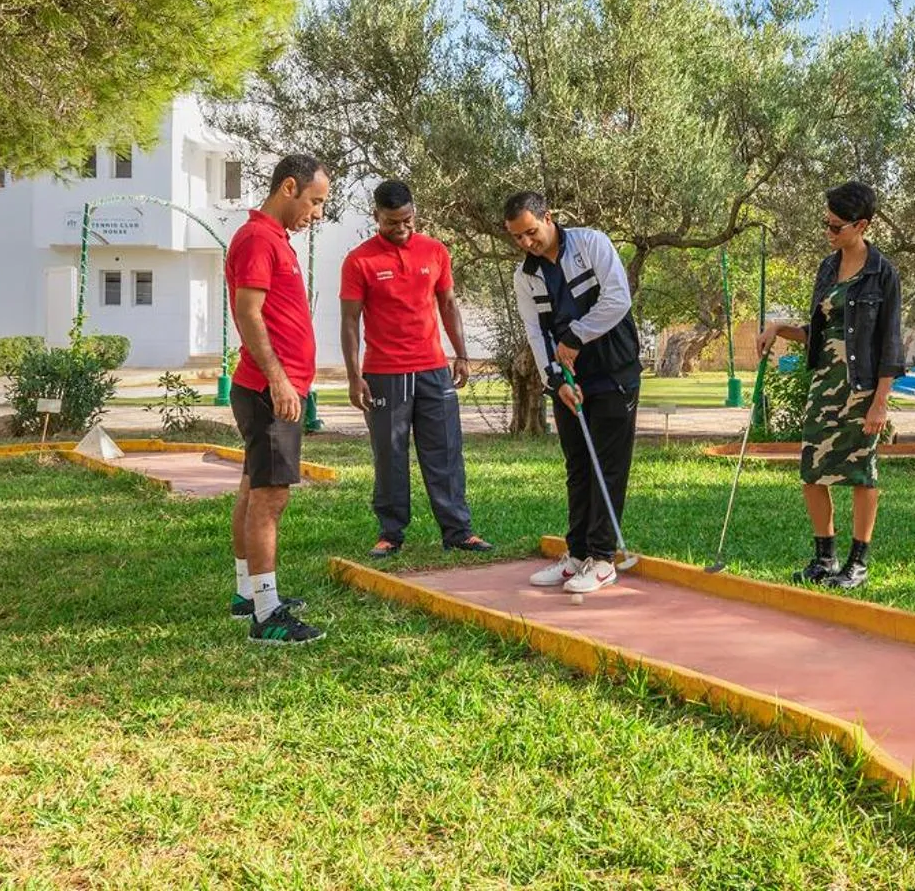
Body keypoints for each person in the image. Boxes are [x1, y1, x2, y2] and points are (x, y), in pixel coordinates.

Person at [756, 181, 904, 589]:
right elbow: (819, 333)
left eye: (836, 227)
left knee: (862, 473)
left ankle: (857, 564)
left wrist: (880, 403)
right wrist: (778, 328)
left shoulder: (883, 273)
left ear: (862, 225)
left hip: (862, 388)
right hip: (824, 382)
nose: (829, 232)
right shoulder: (826, 267)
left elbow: (890, 343)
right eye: (826, 224)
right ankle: (825, 558)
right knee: (812, 470)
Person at [340, 179, 492, 558]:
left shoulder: (435, 251)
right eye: (393, 222)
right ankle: (391, 533)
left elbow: (449, 304)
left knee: (445, 451)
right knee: (390, 454)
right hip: (384, 373)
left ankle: (458, 530)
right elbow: (349, 321)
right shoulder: (359, 260)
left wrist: (461, 353)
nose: (402, 228)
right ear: (376, 217)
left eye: (408, 219)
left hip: (432, 368)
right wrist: (353, 375)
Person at [504, 191, 643, 597]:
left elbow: (618, 299)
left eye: (531, 232)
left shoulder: (591, 243)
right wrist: (555, 379)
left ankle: (602, 560)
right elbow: (535, 331)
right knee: (579, 467)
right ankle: (577, 554)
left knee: (608, 466)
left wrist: (575, 337)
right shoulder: (524, 276)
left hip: (613, 372)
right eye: (517, 238)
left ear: (548, 218)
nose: (526, 243)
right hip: (570, 379)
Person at [226, 154, 330, 645]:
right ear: (289, 187)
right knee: (271, 497)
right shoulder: (256, 239)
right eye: (315, 201)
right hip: (269, 390)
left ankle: (248, 594)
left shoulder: (273, 240)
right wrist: (279, 379)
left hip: (272, 387)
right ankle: (266, 616)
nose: (317, 212)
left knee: (253, 489)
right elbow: (249, 315)